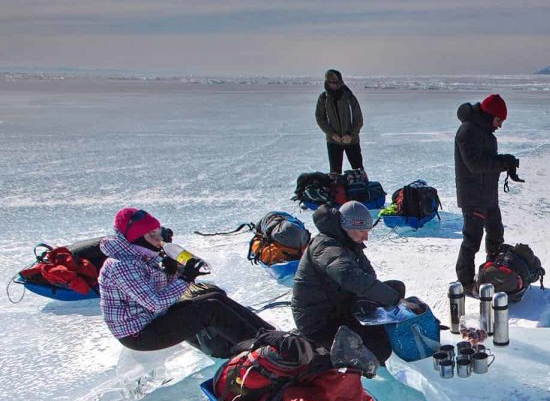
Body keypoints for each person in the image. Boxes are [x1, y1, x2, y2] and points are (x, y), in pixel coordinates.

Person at [99, 208, 273, 356]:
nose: (157, 238)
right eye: (150, 234)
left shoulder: (141, 254)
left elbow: (163, 291)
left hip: (153, 319)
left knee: (214, 297)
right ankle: (264, 351)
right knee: (210, 310)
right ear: (135, 239)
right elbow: (155, 302)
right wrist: (185, 278)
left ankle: (271, 335)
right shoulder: (121, 265)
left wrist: (173, 271)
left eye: (157, 231)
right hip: (139, 334)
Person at [292, 201, 406, 364]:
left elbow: (368, 275)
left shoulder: (349, 241)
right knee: (379, 350)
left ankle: (366, 326)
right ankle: (324, 350)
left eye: (367, 231)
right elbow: (350, 276)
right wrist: (395, 300)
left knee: (396, 287)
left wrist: (382, 299)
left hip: (340, 304)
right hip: (319, 321)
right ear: (346, 226)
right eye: (361, 231)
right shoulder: (325, 246)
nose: (365, 236)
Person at [454, 94, 519, 293]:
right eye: (499, 120)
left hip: (488, 194)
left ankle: (493, 273)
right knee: (472, 240)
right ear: (490, 115)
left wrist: (505, 160)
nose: (500, 125)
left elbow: (487, 159)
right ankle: (465, 283)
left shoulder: (484, 131)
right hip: (474, 197)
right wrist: (502, 163)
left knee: (496, 234)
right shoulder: (468, 131)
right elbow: (475, 164)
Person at [315, 69, 365, 176]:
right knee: (335, 174)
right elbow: (320, 118)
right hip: (333, 141)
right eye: (332, 83)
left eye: (337, 83)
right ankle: (337, 192)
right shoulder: (323, 98)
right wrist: (332, 134)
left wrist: (351, 135)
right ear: (327, 83)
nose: (335, 85)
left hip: (351, 141)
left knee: (358, 170)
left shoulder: (349, 97)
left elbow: (358, 118)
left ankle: (363, 191)